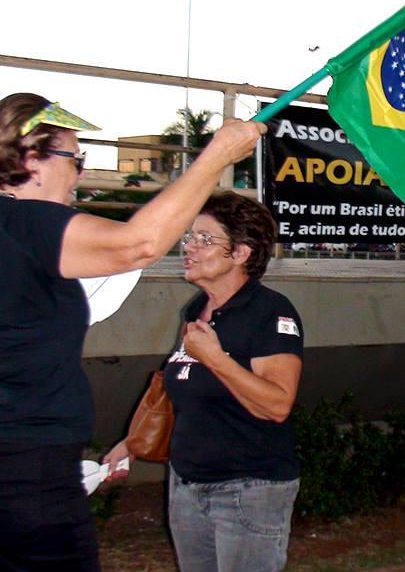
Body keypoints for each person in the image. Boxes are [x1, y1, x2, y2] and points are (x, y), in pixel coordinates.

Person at [0, 92, 265, 572]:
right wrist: (217, 157)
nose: (80, 171)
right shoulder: (27, 222)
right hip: (27, 467)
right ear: (32, 160)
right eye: (73, 158)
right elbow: (139, 243)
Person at [105, 192, 303, 572]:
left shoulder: (270, 312)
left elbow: (277, 405)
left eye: (205, 239)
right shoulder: (196, 310)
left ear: (241, 253)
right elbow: (180, 392)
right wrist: (132, 442)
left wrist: (214, 357)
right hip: (187, 485)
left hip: (248, 489)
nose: (189, 247)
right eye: (189, 237)